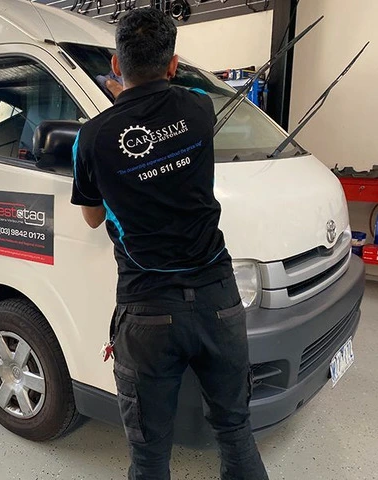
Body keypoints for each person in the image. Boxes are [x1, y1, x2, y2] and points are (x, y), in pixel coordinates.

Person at [70, 8, 270, 480]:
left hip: (147, 311)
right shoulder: (199, 107)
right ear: (174, 64)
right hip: (219, 300)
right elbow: (167, 108)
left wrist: (120, 111)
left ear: (115, 65)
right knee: (236, 433)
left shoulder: (91, 138)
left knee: (149, 456)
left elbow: (92, 217)